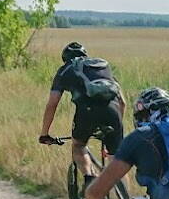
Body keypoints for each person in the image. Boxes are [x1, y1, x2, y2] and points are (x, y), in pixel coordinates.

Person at [38, 41, 126, 182]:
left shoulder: (65, 70)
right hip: (113, 111)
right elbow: (123, 102)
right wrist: (116, 128)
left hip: (87, 111)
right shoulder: (101, 67)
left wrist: (44, 134)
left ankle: (90, 179)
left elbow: (52, 103)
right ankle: (124, 195)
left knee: (78, 146)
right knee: (116, 161)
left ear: (65, 58)